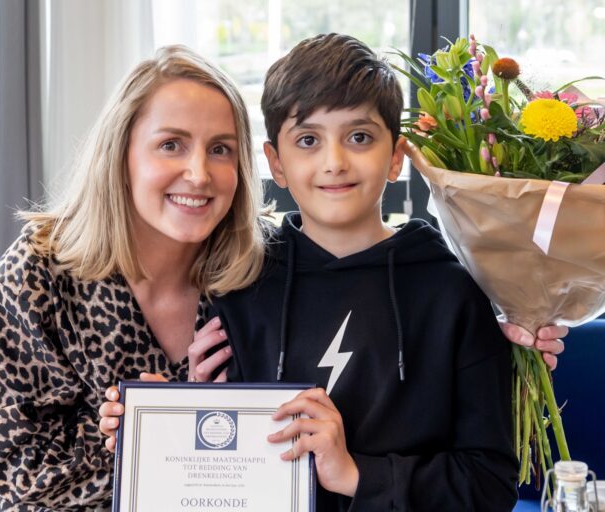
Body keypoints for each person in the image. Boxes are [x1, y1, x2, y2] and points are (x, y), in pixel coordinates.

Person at [99, 34, 566, 511]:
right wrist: (166, 424)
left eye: (359, 137)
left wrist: (356, 474)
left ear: (396, 157)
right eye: (308, 140)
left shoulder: (454, 290)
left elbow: (488, 482)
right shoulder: (240, 283)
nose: (334, 162)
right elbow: (226, 467)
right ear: (276, 163)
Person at [0, 45, 268, 511]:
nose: (200, 173)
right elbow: (23, 472)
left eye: (220, 149)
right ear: (121, 155)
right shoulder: (33, 277)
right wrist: (159, 424)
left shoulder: (260, 274)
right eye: (171, 144)